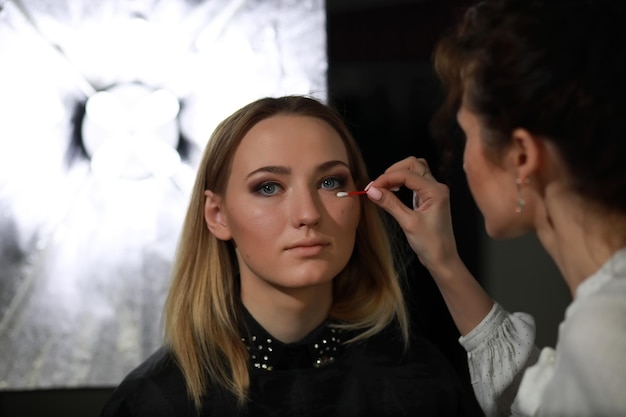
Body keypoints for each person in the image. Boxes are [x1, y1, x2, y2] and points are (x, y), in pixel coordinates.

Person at [100, 95, 482, 416]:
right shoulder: (154, 401)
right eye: (268, 187)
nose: (308, 214)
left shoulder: (421, 381)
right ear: (217, 216)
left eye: (330, 182)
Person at [364, 0, 626, 416]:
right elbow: (539, 397)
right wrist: (443, 259)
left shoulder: (606, 333)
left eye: (468, 135)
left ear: (521, 155)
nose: (464, 161)